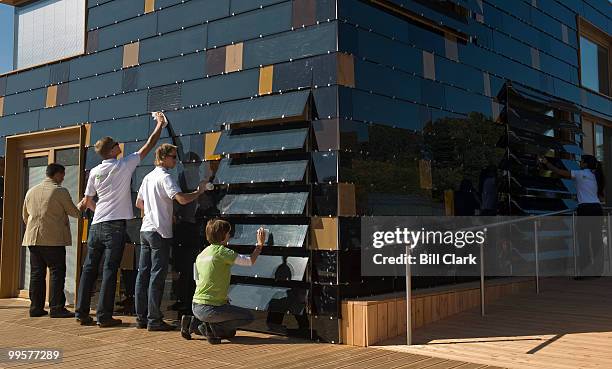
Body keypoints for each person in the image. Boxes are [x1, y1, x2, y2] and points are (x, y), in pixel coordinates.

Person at [75, 112, 166, 327]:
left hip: (96, 226)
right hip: (114, 227)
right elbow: (149, 145)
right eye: (116, 144)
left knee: (89, 269)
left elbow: (87, 201)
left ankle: (81, 312)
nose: (119, 145)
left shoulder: (95, 171)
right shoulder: (123, 165)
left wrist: (100, 213)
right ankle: (104, 317)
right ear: (111, 150)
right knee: (109, 270)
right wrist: (160, 124)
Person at [134, 144, 209, 331]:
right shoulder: (166, 177)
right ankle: (154, 319)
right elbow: (182, 199)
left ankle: (141, 318)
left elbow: (139, 203)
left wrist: (154, 209)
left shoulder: (148, 177)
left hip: (145, 230)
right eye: (174, 157)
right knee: (156, 277)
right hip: (160, 232)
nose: (176, 161)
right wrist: (199, 192)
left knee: (143, 275)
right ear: (164, 157)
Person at [180, 220, 265, 344]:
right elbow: (249, 261)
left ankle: (193, 323)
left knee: (230, 333)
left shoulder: (201, 255)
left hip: (196, 306)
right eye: (228, 232)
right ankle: (210, 327)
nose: (230, 235)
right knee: (248, 317)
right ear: (223, 235)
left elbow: (197, 280)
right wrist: (259, 245)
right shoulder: (222, 251)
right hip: (212, 308)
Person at [22, 163, 86, 318]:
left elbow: (25, 216)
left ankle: (36, 308)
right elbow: (75, 213)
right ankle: (56, 307)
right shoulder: (60, 191)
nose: (64, 178)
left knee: (37, 274)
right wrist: (83, 204)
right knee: (57, 272)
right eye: (63, 175)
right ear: (57, 174)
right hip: (53, 240)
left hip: (33, 238)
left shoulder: (31, 191)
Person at [540, 154, 605, 277]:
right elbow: (601, 197)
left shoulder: (580, 174)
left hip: (585, 209)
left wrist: (546, 163)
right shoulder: (596, 176)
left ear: (585, 164)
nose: (579, 163)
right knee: (597, 241)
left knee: (583, 241)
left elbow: (559, 171)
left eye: (581, 161)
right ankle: (598, 271)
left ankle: (585, 272)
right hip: (597, 209)